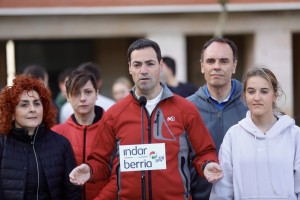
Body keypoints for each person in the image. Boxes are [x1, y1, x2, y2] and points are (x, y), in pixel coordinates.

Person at [69, 38, 223, 199]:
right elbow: (101, 161)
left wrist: (207, 164)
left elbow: (204, 152)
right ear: (130, 68)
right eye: (137, 65)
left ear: (160, 66)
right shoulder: (114, 114)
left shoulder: (185, 110)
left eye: (150, 63)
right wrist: (90, 169)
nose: (143, 70)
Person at [210, 66, 300, 199]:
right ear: (245, 96)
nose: (257, 97)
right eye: (251, 91)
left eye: (264, 91)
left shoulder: (294, 135)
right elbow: (223, 190)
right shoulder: (233, 136)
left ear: (274, 95)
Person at [0, 74, 81, 200]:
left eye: (37, 103)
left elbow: (72, 193)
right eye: (24, 104)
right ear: (12, 113)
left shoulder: (61, 144)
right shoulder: (2, 144)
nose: (32, 109)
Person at [187, 37, 248, 200]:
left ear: (234, 65)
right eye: (210, 61)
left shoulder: (251, 105)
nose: (216, 67)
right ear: (202, 66)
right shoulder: (186, 108)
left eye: (224, 61)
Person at [52, 69, 117, 200]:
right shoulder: (56, 133)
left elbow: (120, 176)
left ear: (97, 94)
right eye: (76, 93)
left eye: (88, 92)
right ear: (67, 97)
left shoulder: (114, 130)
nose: (83, 98)